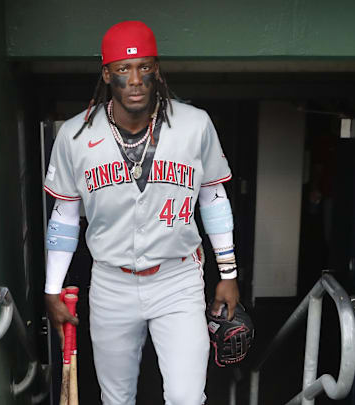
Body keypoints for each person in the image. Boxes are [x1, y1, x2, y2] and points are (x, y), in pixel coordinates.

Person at [43, 21, 240, 405]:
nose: (135, 80)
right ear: (106, 74)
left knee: (186, 397)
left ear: (157, 70)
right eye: (123, 69)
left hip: (177, 278)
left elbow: (213, 198)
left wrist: (228, 273)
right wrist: (53, 288)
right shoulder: (74, 135)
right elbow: (65, 215)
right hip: (112, 282)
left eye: (144, 68)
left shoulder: (194, 124)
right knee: (116, 398)